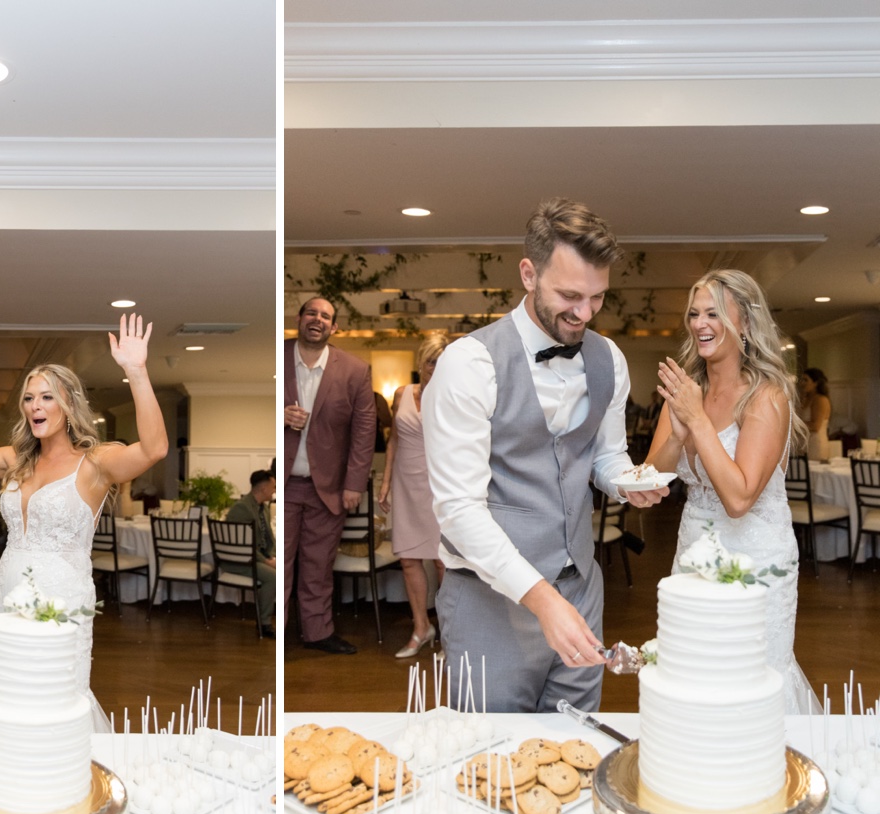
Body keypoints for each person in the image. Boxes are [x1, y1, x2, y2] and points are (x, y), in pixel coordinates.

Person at [422, 198, 667, 713]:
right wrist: (542, 601)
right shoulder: (469, 364)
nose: (583, 313)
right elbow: (459, 510)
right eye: (570, 296)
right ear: (529, 274)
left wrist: (627, 482)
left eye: (598, 298)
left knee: (576, 746)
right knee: (491, 766)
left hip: (579, 591)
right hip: (490, 601)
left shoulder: (610, 359)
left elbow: (605, 457)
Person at [0, 314, 166, 719]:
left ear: (67, 403)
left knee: (54, 707)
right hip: (6, 600)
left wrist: (136, 371)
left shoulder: (94, 464)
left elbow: (153, 450)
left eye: (46, 396)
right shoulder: (16, 460)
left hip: (62, 604)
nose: (35, 406)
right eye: (29, 398)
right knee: (4, 702)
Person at [645, 269, 817, 713]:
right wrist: (679, 433)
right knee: (694, 673)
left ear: (744, 322)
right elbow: (651, 478)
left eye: (715, 314)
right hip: (693, 555)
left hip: (757, 561)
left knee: (754, 678)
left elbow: (740, 499)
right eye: (695, 313)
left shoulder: (767, 396)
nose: (700, 323)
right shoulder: (687, 391)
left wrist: (699, 421)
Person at [283, 297, 376, 655]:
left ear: (334, 328)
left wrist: (354, 484)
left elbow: (364, 431)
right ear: (299, 319)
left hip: (330, 489)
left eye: (325, 316)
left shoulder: (355, 370)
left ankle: (318, 634)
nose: (317, 319)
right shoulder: (275, 357)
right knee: (283, 563)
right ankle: (277, 629)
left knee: (319, 566)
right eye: (311, 313)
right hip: (285, 486)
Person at [378, 334, 447, 660]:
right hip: (406, 484)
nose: (436, 367)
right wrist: (386, 481)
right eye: (432, 360)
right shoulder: (402, 393)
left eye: (443, 361)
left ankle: (450, 634)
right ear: (420, 362)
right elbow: (394, 441)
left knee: (443, 561)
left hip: (441, 485)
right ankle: (421, 628)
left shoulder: (452, 395)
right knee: (408, 560)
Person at [225, 469, 277, 638]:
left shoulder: (264, 508)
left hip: (256, 556)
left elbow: (268, 538)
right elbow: (242, 545)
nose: (275, 490)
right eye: (273, 487)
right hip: (239, 559)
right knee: (273, 576)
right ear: (263, 489)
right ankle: (264, 623)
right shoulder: (242, 509)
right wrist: (266, 562)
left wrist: (273, 556)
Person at [798, 368, 832, 462]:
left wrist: (795, 425)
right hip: (803, 444)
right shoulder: (804, 399)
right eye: (802, 380)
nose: (802, 383)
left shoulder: (820, 400)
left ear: (815, 383)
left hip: (815, 445)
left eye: (806, 380)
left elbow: (816, 426)